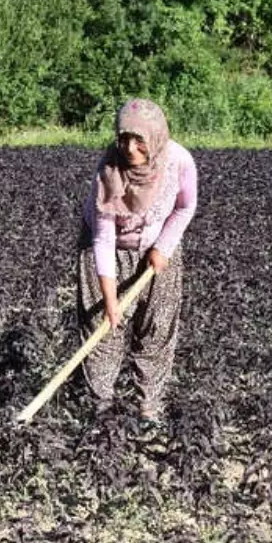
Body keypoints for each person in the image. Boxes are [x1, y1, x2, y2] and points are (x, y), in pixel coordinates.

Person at [78, 98, 198, 429]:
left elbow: (186, 207)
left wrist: (164, 246)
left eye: (139, 139)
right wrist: (111, 299)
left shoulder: (179, 161)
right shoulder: (109, 171)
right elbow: (103, 238)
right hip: (107, 247)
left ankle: (149, 408)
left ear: (155, 136)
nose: (130, 148)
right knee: (103, 327)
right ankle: (101, 407)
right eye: (124, 138)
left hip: (159, 246)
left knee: (156, 326)